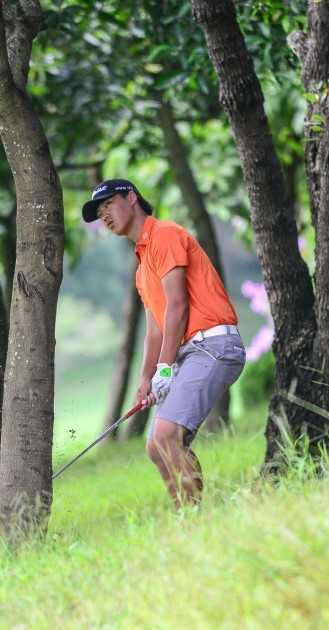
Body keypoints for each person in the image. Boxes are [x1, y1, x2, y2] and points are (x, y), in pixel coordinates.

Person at [82, 179, 245, 507]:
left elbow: (178, 306)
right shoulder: (142, 268)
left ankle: (195, 519)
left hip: (213, 345)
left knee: (165, 436)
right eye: (99, 213)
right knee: (157, 447)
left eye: (108, 205)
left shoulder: (165, 235)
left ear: (131, 198)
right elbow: (155, 330)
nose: (105, 216)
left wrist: (165, 369)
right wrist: (146, 379)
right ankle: (189, 515)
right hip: (191, 353)